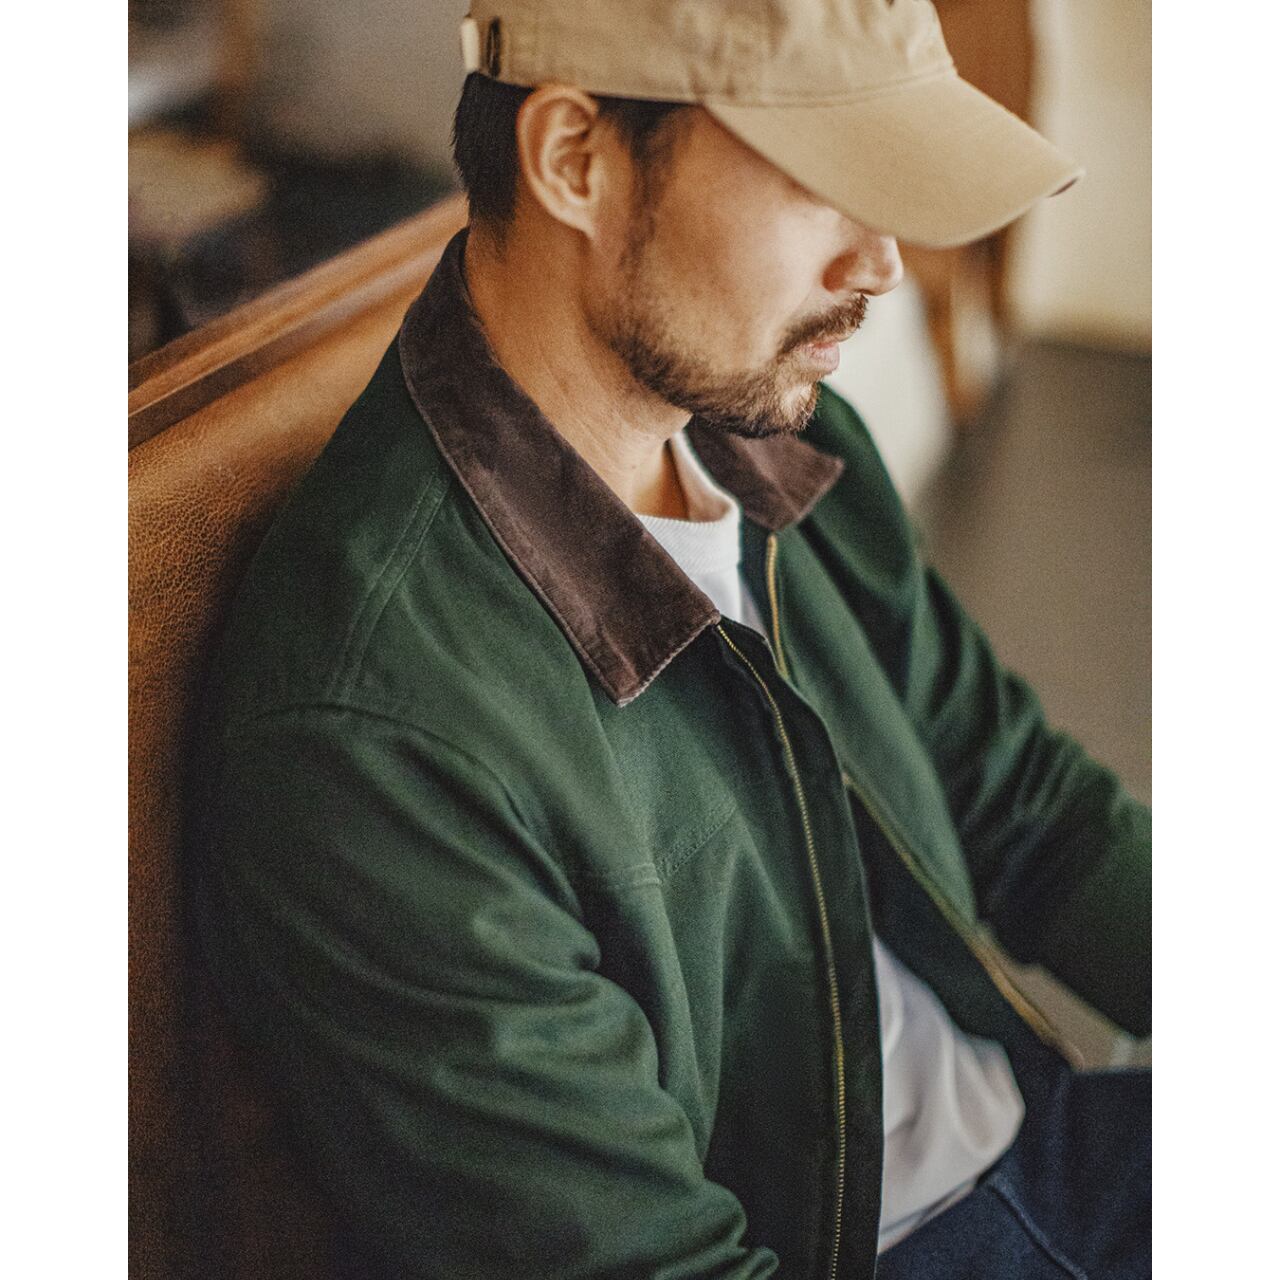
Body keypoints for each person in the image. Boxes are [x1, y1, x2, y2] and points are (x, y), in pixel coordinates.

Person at [190, 2, 1151, 1276]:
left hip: (1043, 1131)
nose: (881, 263)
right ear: (574, 158)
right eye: (822, 178)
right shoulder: (375, 732)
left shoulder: (770, 434)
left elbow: (1029, 806)